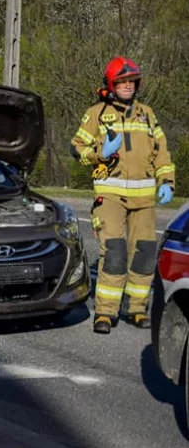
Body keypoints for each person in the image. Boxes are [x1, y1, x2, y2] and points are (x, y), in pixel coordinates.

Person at [72, 57, 175, 334]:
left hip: (144, 198)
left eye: (132, 81)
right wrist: (99, 154)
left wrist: (167, 181)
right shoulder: (96, 113)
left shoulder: (148, 114)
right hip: (111, 196)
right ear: (111, 84)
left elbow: (162, 152)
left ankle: (137, 309)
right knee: (115, 253)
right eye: (121, 81)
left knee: (143, 254)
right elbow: (77, 148)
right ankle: (105, 313)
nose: (128, 85)